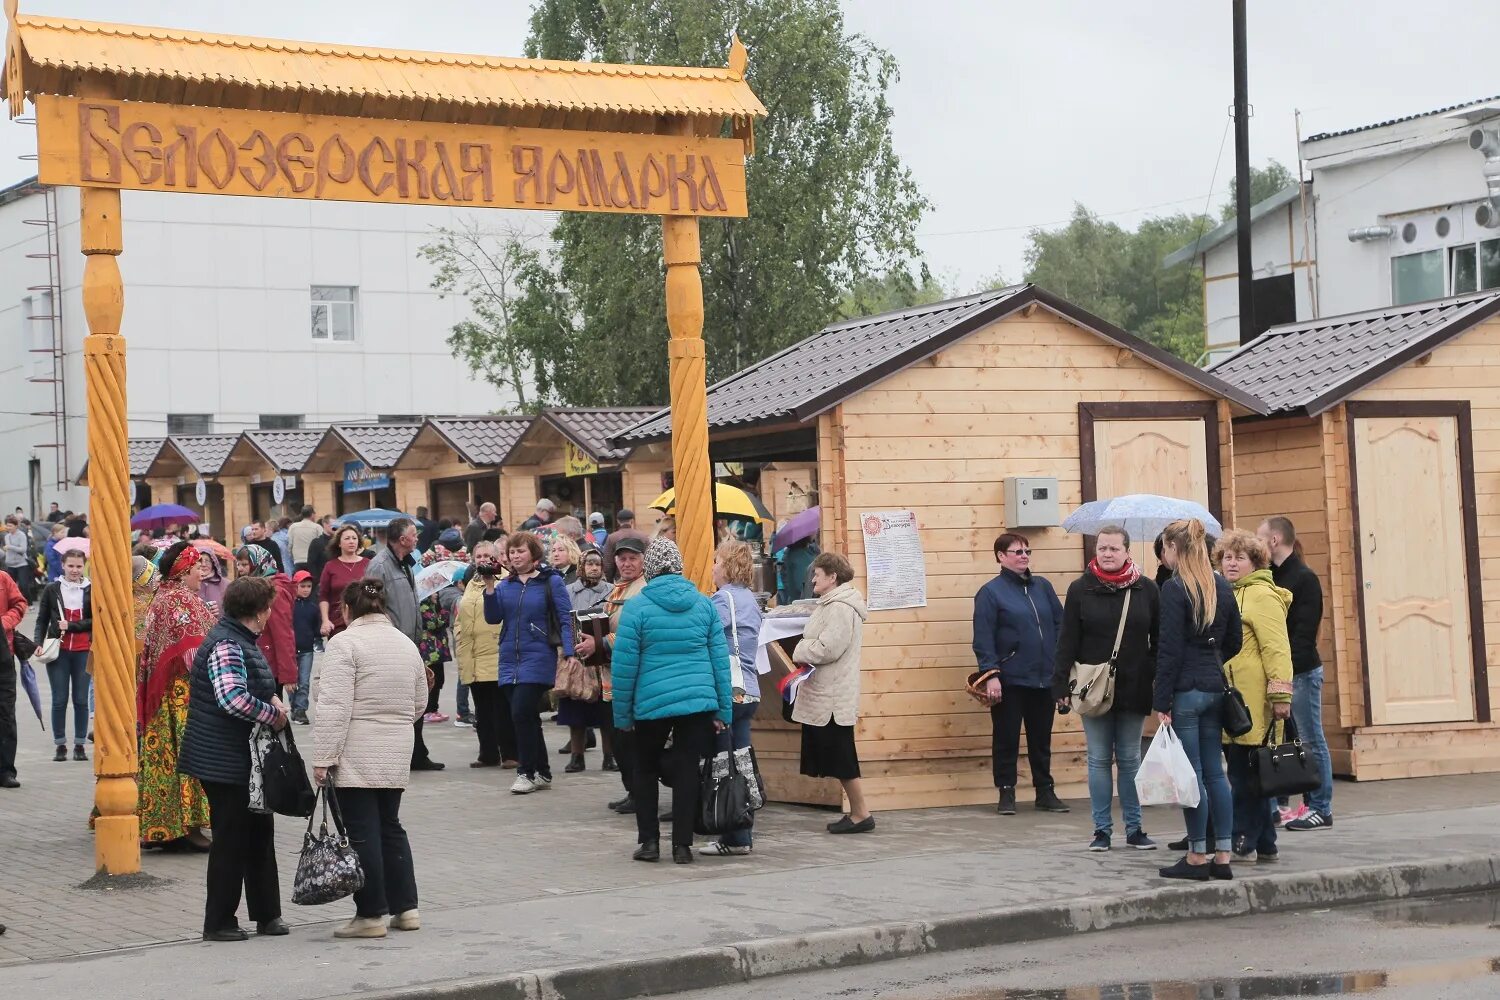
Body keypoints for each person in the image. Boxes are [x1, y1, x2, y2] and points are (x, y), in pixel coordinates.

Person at [312, 578, 428, 939]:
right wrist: (395, 725)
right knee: (390, 826)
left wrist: (322, 757)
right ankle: (406, 908)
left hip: (356, 749)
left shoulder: (344, 643)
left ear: (346, 609)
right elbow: (419, 699)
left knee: (362, 833)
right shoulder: (405, 643)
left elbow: (333, 706)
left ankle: (371, 914)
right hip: (395, 747)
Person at [177, 575, 291, 942]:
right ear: (259, 612)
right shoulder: (228, 642)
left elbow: (247, 689)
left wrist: (269, 698)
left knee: (259, 834)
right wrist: (274, 714)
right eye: (268, 607)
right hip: (223, 761)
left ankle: (267, 914)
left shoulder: (240, 639)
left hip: (240, 757)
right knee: (231, 839)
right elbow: (232, 698)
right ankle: (219, 921)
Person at [611, 539, 731, 863]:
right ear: (679, 566)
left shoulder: (635, 607)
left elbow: (624, 667)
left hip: (651, 703)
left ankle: (650, 842)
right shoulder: (704, 604)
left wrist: (622, 716)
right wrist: (724, 708)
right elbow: (720, 660)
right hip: (697, 702)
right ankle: (683, 846)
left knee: (645, 769)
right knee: (688, 770)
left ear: (648, 568)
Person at [1051, 525, 1160, 852]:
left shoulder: (1147, 590)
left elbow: (1160, 639)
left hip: (1134, 686)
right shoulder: (1080, 589)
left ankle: (1135, 828)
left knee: (1129, 759)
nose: (1107, 554)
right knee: (1098, 759)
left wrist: (1151, 671)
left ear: (1128, 551)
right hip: (1092, 688)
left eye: (1114, 548)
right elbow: (1066, 639)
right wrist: (1059, 684)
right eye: (1102, 548)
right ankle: (1101, 831)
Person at [1153, 518, 1242, 881]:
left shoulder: (1175, 590)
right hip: (1214, 687)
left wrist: (1161, 700)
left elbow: (1168, 650)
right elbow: (1234, 640)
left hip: (1186, 690)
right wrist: (1212, 658)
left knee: (1192, 778)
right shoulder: (1222, 586)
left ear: (1175, 549)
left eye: (1167, 548)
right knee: (1215, 775)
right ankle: (1222, 855)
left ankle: (1195, 858)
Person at [777, 551, 872, 835]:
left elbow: (828, 648)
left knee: (842, 756)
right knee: (839, 755)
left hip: (833, 696)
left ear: (833, 577)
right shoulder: (832, 604)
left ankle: (861, 813)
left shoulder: (840, 608)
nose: (813, 579)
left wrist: (800, 649)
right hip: (827, 693)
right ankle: (858, 812)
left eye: (817, 574)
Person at [973, 532, 1068, 816]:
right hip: (1010, 679)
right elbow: (983, 637)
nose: (1024, 556)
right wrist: (991, 673)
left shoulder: (1043, 587)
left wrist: (1061, 673)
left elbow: (1061, 627)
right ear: (1001, 556)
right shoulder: (990, 592)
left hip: (1043, 678)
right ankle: (1006, 791)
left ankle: (1045, 791)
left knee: (1041, 738)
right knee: (1006, 737)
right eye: (1017, 551)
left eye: (1027, 551)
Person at [1215, 530, 1294, 864]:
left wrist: (1280, 696)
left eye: (1240, 558)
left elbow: (1276, 648)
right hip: (1233, 698)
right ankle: (1267, 843)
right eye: (1227, 557)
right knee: (1252, 771)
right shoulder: (1228, 593)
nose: (1232, 563)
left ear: (1255, 561)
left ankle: (1242, 841)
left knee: (1243, 774)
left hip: (1254, 701)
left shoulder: (1261, 595)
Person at [482, 530, 577, 793]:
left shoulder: (551, 581)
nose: (515, 556)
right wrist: (489, 587)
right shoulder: (505, 585)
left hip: (538, 654)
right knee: (528, 717)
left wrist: (569, 651)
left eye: (520, 551)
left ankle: (526, 771)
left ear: (533, 554)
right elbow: (493, 618)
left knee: (521, 712)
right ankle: (543, 771)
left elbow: (565, 617)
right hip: (509, 658)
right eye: (512, 552)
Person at [137, 541, 216, 850]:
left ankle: (164, 827)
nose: (202, 572)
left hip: (167, 697)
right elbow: (196, 651)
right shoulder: (181, 600)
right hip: (182, 696)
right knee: (189, 757)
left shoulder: (164, 597)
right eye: (198, 567)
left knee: (165, 760)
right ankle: (188, 827)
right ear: (183, 571)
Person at [1256, 517, 1332, 832]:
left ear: (1274, 539)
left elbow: (1302, 636)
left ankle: (1320, 807)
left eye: (1260, 537)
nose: (1256, 542)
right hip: (1277, 674)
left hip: (1300, 673)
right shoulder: (1269, 577)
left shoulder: (1303, 578)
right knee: (1279, 740)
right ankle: (1278, 804)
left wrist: (1285, 676)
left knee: (1310, 739)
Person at [699, 539, 765, 856]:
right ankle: (741, 830)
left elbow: (704, 634)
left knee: (725, 766)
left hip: (730, 691)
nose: (712, 567)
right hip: (749, 687)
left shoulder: (722, 600)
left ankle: (734, 835)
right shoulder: (750, 599)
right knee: (741, 761)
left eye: (716, 561)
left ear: (726, 566)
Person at [365, 517, 442, 772]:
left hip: (411, 643)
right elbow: (370, 603)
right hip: (391, 645)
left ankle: (417, 754)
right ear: (402, 539)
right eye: (413, 534)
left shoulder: (406, 564)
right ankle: (401, 755)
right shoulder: (379, 566)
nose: (417, 538)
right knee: (399, 704)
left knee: (416, 699)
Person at [580, 533, 649, 811]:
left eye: (633, 558)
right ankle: (633, 791)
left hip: (633, 679)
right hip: (612, 676)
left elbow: (638, 636)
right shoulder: (618, 588)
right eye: (622, 558)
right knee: (619, 739)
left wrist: (599, 642)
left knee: (628, 741)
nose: (627, 563)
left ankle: (639, 793)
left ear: (644, 561)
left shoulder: (643, 590)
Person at [455, 550, 517, 769]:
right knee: (482, 709)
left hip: (495, 651)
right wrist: (459, 635)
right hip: (472, 654)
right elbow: (461, 616)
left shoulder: (505, 580)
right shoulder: (471, 581)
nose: (482, 559)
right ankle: (487, 753)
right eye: (478, 555)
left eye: (487, 555)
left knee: (501, 708)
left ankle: (509, 753)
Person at [32, 548, 93, 761]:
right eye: (71, 566)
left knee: (80, 700)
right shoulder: (52, 589)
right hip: (58, 651)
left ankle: (79, 745)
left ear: (83, 566)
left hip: (83, 651)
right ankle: (60, 745)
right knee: (59, 699)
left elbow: (95, 620)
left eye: (78, 566)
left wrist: (72, 625)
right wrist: (37, 643)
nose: (75, 570)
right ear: (63, 565)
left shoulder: (91, 589)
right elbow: (41, 620)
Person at [557, 550, 612, 773]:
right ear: (581, 566)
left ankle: (610, 756)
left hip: (604, 657)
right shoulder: (568, 591)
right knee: (575, 710)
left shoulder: (612, 590)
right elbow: (561, 620)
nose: (594, 568)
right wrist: (569, 652)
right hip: (577, 656)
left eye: (598, 563)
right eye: (589, 563)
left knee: (606, 710)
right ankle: (577, 756)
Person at [237, 544, 299, 700]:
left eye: (245, 564)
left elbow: (283, 634)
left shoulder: (272, 591)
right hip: (254, 662)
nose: (240, 569)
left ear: (259, 563)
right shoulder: (253, 587)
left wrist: (288, 674)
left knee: (272, 717)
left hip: (268, 666)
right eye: (238, 564)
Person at [417, 579, 461, 725]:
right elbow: (433, 623)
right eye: (434, 592)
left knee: (440, 680)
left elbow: (443, 620)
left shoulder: (435, 605)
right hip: (429, 650)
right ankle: (428, 710)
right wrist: (443, 615)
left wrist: (441, 613)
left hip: (438, 649)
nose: (436, 594)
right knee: (432, 680)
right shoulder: (423, 605)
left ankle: (434, 709)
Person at [0, 569, 27, 788]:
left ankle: (6, 770)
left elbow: (20, 604)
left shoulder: (3, 578)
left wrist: (4, 623)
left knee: (6, 714)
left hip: (4, 654)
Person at [320, 525, 369, 638]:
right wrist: (325, 620)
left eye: (354, 538)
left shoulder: (367, 564)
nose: (351, 541)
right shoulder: (330, 566)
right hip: (338, 623)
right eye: (347, 538)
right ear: (339, 543)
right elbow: (323, 596)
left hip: (363, 621)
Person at [290, 570, 320, 725]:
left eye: (309, 586)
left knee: (304, 681)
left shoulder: (313, 608)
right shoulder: (289, 606)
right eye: (302, 586)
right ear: (295, 586)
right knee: (292, 681)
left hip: (307, 649)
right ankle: (295, 708)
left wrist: (318, 636)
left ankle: (301, 709)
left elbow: (316, 627)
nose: (306, 589)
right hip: (291, 649)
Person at [601, 509, 647, 582]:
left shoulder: (612, 537)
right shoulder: (644, 537)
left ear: (618, 521)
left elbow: (608, 564)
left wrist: (608, 583)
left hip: (621, 579)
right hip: (641, 579)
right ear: (632, 521)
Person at [3, 515, 32, 602]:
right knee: (9, 586)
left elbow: (23, 549)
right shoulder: (6, 536)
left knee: (23, 585)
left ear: (16, 526)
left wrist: (10, 547)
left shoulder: (21, 535)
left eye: (10, 526)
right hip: (10, 564)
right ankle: (13, 603)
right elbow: (8, 550)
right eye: (7, 525)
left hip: (22, 564)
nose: (8, 528)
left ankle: (29, 603)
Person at [288, 506, 322, 572]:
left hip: (298, 561)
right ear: (312, 514)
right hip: (313, 561)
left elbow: (290, 545)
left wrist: (293, 558)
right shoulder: (317, 527)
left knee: (299, 581)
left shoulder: (293, 527)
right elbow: (321, 544)